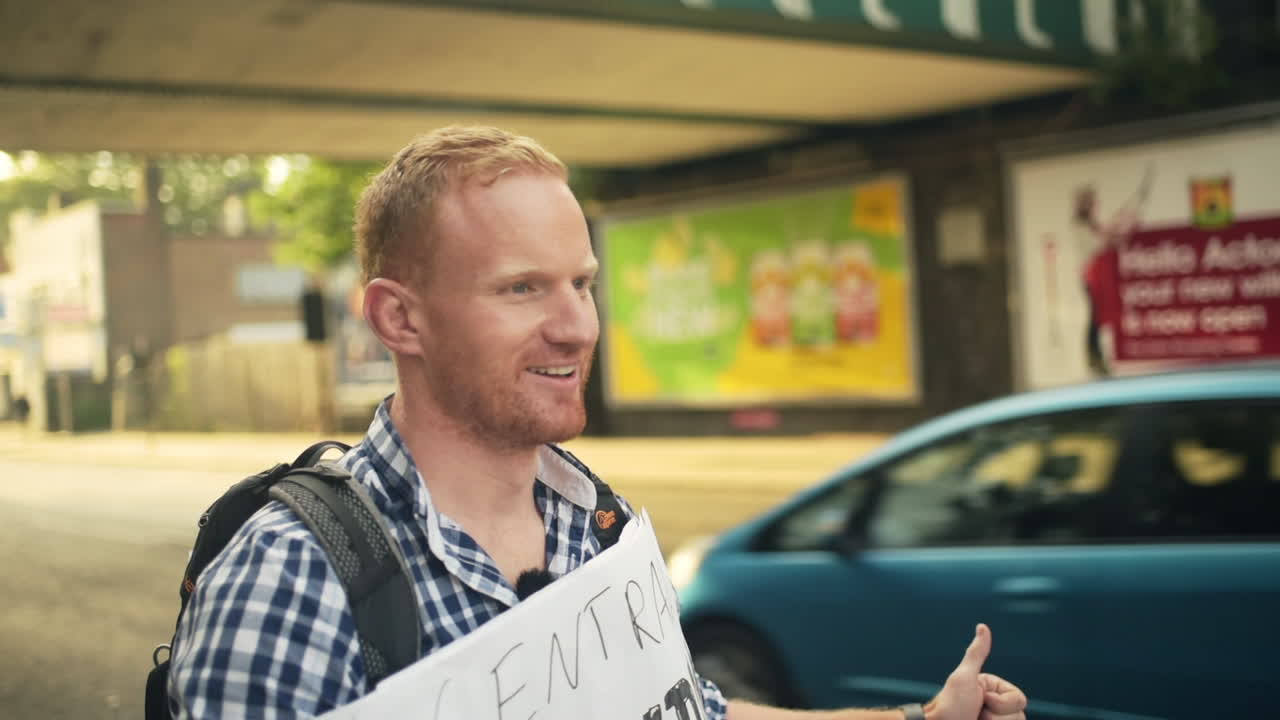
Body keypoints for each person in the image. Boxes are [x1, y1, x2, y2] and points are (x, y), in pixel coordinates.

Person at [168, 126, 1028, 720]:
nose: (578, 325)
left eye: (581, 284)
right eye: (522, 288)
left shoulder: (597, 524)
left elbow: (689, 709)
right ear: (401, 321)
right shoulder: (293, 576)